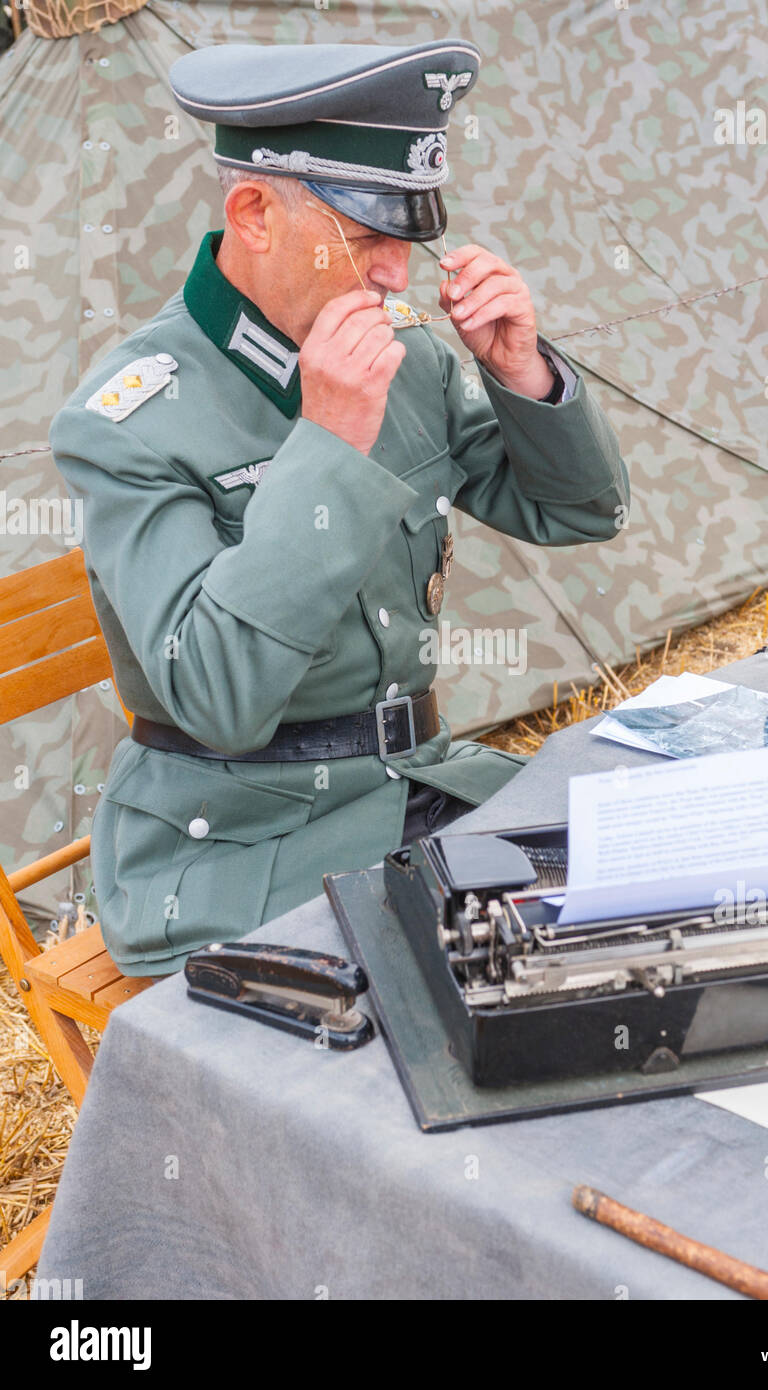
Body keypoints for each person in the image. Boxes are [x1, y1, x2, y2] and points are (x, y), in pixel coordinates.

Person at [49, 38, 629, 976]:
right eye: (366, 240)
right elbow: (216, 701)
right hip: (240, 847)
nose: (397, 276)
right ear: (254, 214)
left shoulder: (412, 360)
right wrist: (325, 443)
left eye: (409, 238)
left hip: (412, 787)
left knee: (637, 897)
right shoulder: (130, 419)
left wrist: (523, 369)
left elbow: (583, 512)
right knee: (487, 1001)